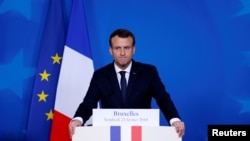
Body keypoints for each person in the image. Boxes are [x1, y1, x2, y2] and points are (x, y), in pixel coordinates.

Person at [68, 28, 185, 137]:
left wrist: (174, 120)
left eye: (127, 48)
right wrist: (78, 119)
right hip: (110, 135)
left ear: (133, 49)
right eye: (117, 48)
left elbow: (163, 98)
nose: (122, 53)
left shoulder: (148, 72)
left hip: (141, 134)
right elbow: (89, 103)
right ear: (111, 50)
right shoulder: (100, 75)